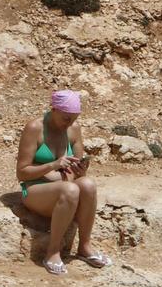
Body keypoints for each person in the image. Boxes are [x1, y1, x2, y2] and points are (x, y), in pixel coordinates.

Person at [15, 89, 112, 276]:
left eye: (74, 119)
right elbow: (22, 173)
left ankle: (85, 247)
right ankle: (52, 252)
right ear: (54, 110)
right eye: (66, 118)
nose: (70, 123)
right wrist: (53, 164)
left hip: (64, 186)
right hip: (34, 189)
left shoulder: (73, 129)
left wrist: (80, 170)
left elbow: (77, 170)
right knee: (70, 190)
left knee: (88, 184)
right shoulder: (35, 128)